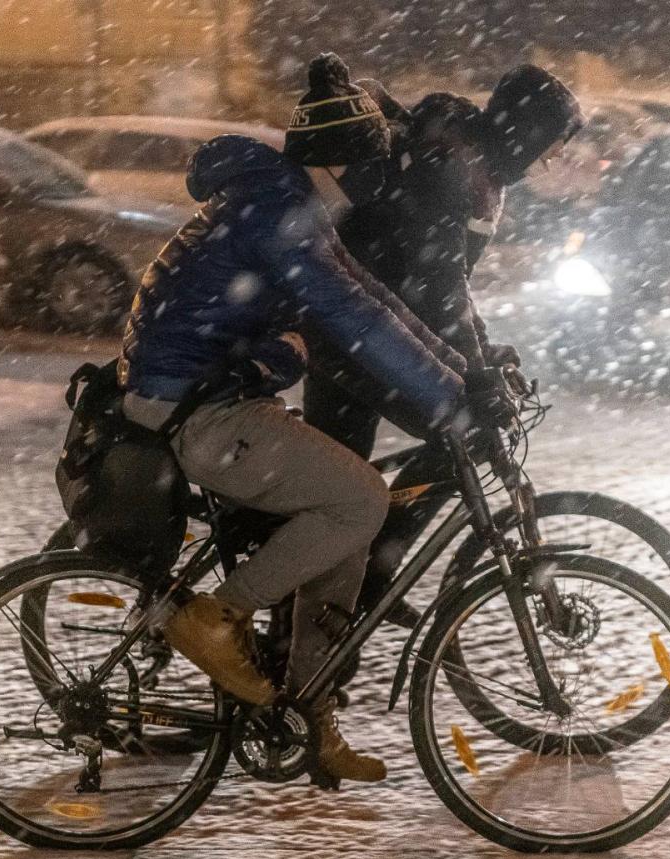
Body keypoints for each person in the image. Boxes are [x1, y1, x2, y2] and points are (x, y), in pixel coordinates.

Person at [118, 53, 472, 784]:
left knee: (347, 514)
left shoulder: (288, 204)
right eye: (373, 164)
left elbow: (374, 299)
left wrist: (462, 369)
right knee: (362, 498)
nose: (382, 180)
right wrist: (447, 400)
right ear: (349, 164)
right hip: (198, 412)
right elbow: (357, 320)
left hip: (208, 395)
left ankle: (312, 711)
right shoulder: (282, 214)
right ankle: (216, 617)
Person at [301, 64, 583, 610]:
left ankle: (318, 620)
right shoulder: (450, 165)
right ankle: (369, 577)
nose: (550, 159)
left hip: (356, 328)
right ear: (524, 133)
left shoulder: (468, 160)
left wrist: (481, 351)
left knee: (335, 491)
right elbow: (438, 284)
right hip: (355, 333)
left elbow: (447, 284)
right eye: (549, 144)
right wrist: (474, 370)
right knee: (465, 431)